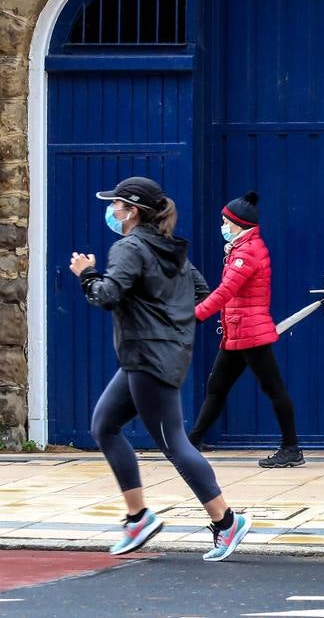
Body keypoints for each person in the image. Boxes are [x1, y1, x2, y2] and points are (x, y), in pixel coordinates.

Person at [69, 176, 253, 561]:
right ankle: (138, 517)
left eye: (116, 205)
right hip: (149, 356)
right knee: (104, 425)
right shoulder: (172, 250)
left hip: (149, 358)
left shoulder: (128, 247)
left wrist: (87, 273)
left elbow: (106, 296)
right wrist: (170, 326)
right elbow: (202, 297)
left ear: (132, 211)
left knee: (174, 443)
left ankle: (226, 522)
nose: (112, 211)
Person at [186, 191, 304, 468]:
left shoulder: (248, 252)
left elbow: (226, 291)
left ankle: (291, 448)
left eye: (225, 223)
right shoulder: (241, 248)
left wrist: (197, 316)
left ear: (239, 224)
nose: (223, 227)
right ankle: (191, 443)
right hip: (238, 332)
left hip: (251, 333)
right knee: (217, 386)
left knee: (273, 388)